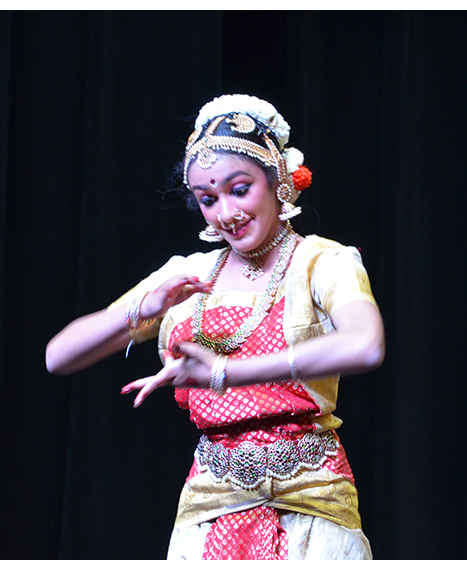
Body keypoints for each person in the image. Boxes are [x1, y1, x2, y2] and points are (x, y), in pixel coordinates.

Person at [46, 94, 384, 560]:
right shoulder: (187, 274)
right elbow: (58, 356)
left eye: (239, 189)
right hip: (209, 509)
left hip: (309, 505)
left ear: (278, 181)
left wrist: (226, 373)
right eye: (208, 199)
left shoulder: (322, 262)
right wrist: (142, 307)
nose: (226, 213)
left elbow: (365, 345)